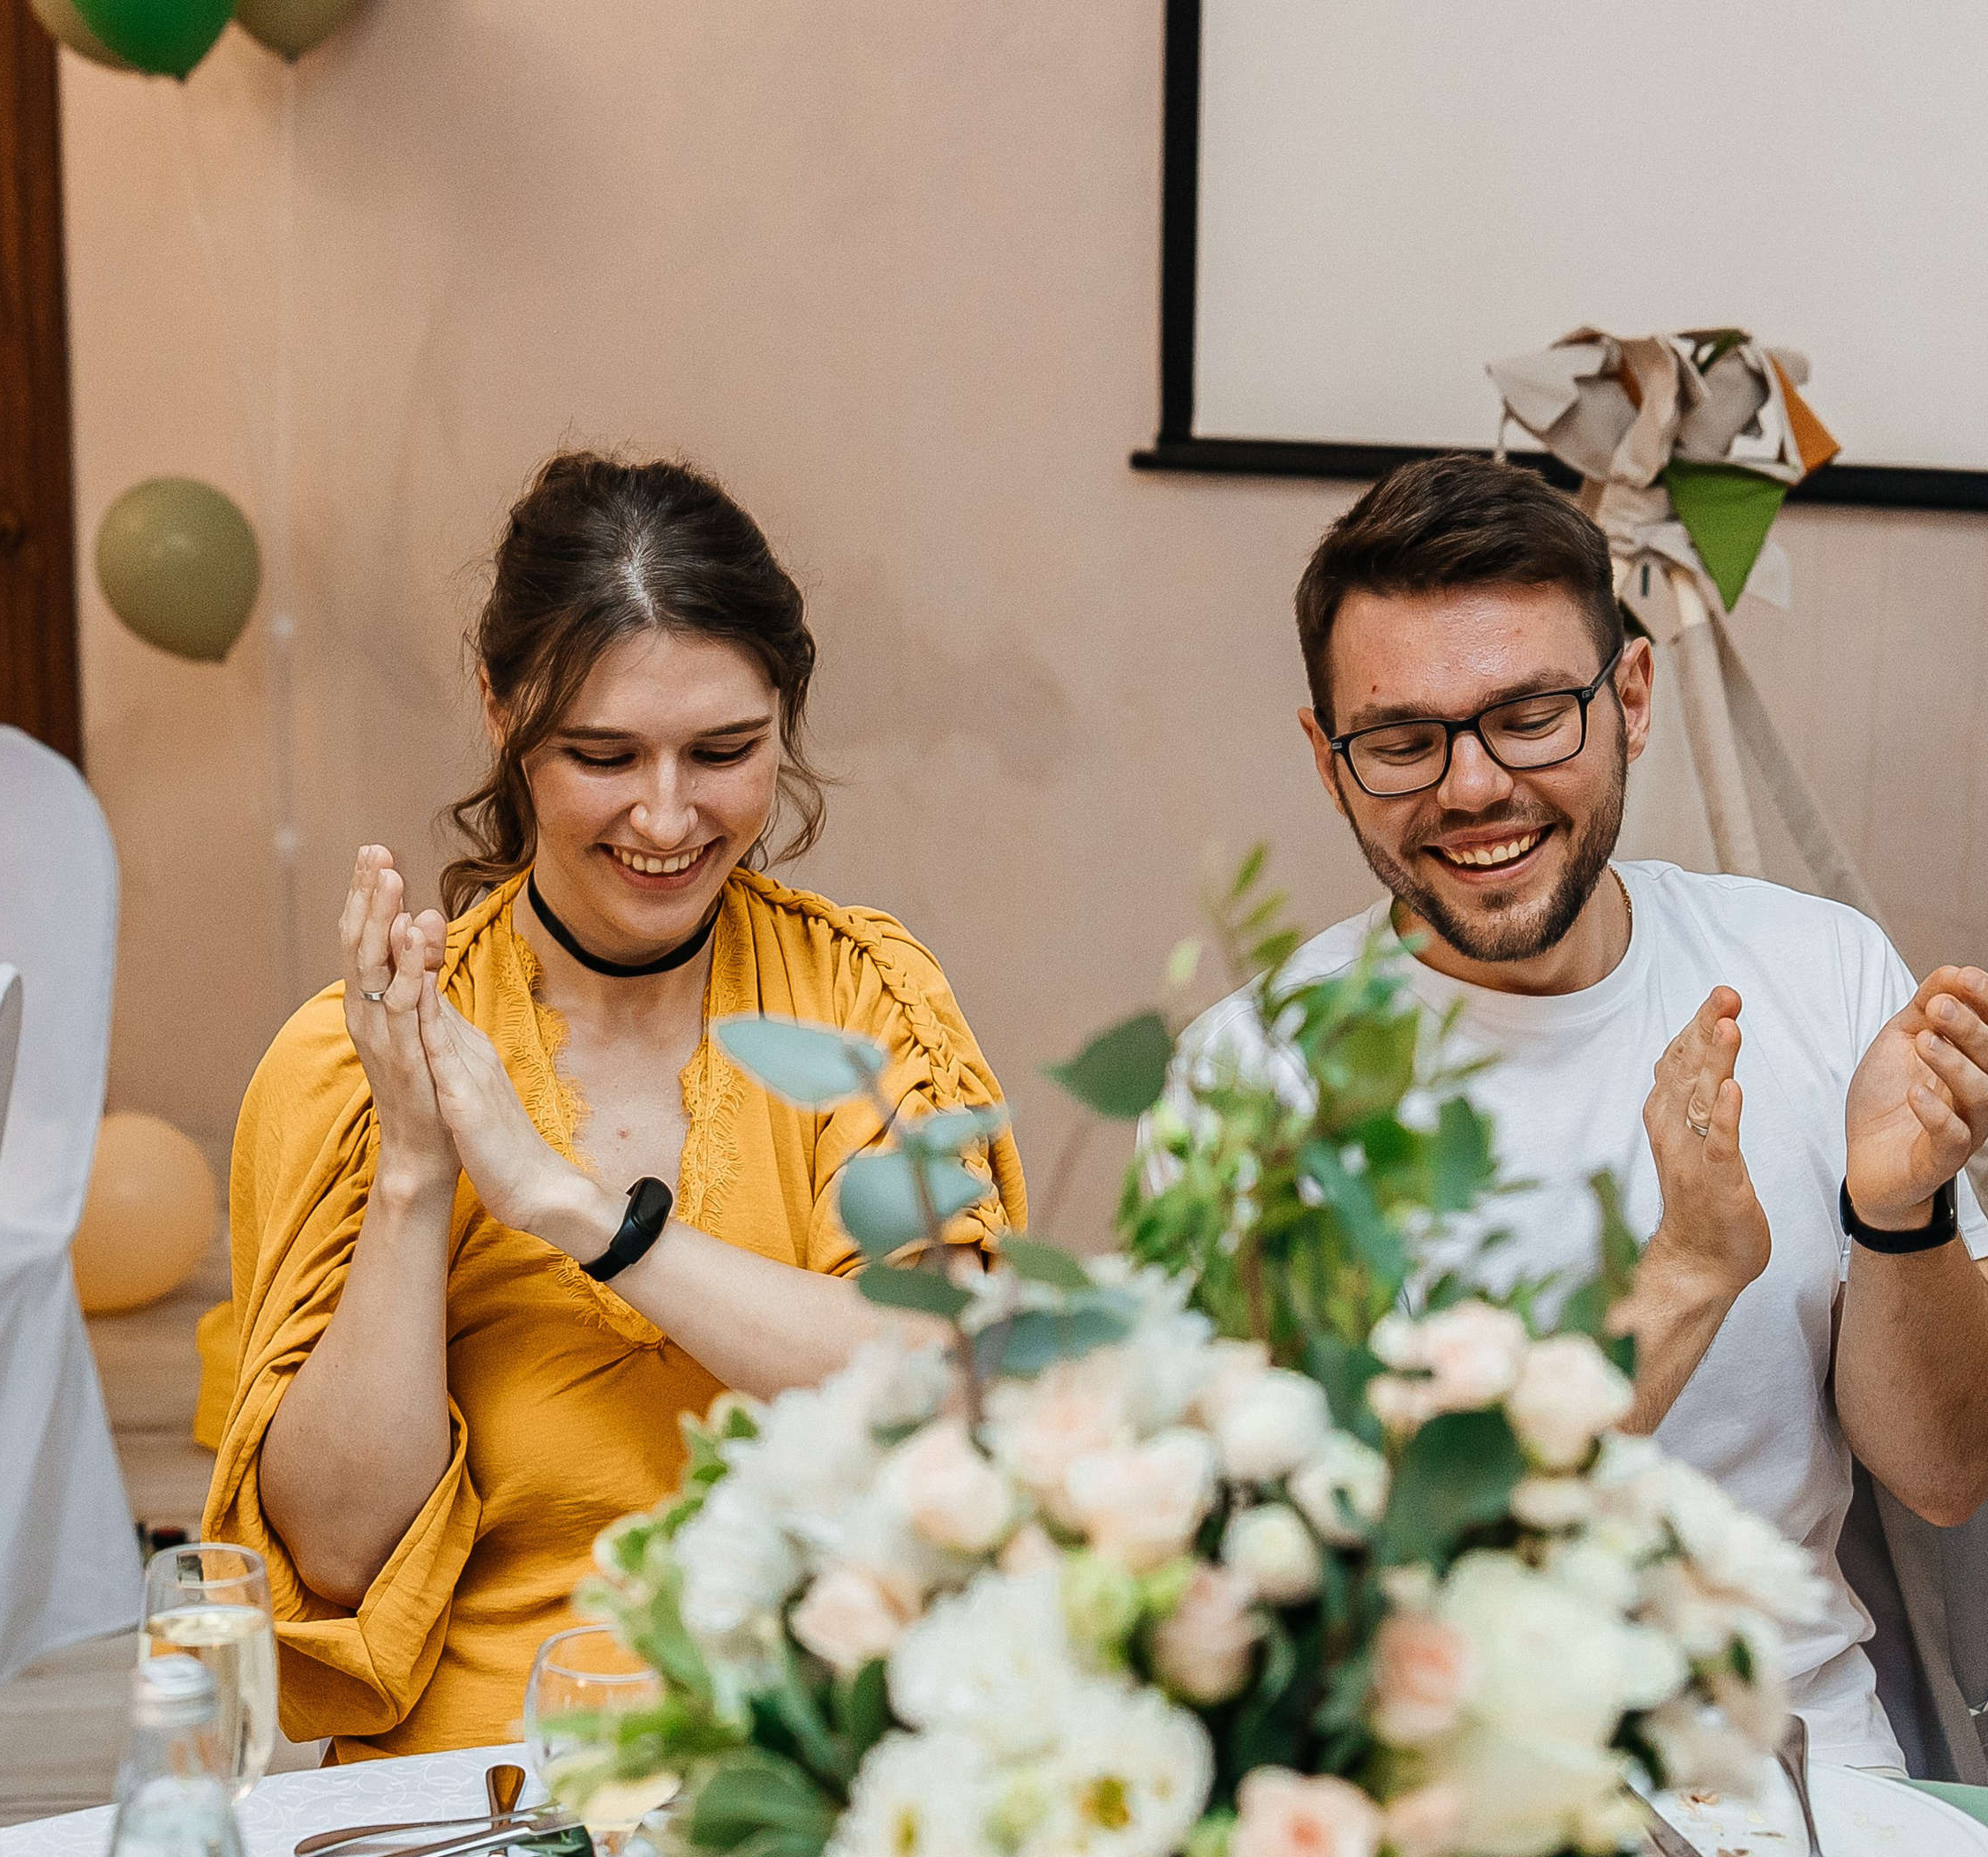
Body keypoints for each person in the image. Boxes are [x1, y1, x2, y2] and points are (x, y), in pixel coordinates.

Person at [203, 453, 1024, 1759]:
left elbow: (941, 1389)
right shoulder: (347, 1067)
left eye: (724, 752)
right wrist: (419, 1170)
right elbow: (341, 1558)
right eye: (602, 755)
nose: (666, 814)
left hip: (816, 1762)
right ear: (497, 706)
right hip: (469, 1797)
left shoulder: (867, 1005)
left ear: (786, 721)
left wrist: (587, 1216)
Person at [1177, 454, 1988, 1768]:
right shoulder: (1255, 1077)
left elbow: (1950, 1475)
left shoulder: (1819, 971)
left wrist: (1897, 1218)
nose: (1475, 786)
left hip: (1801, 1784)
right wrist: (1680, 1282)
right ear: (1329, 765)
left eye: (1531, 714)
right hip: (1438, 1795)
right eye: (1401, 739)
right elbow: (1340, 1581)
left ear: (1632, 697)